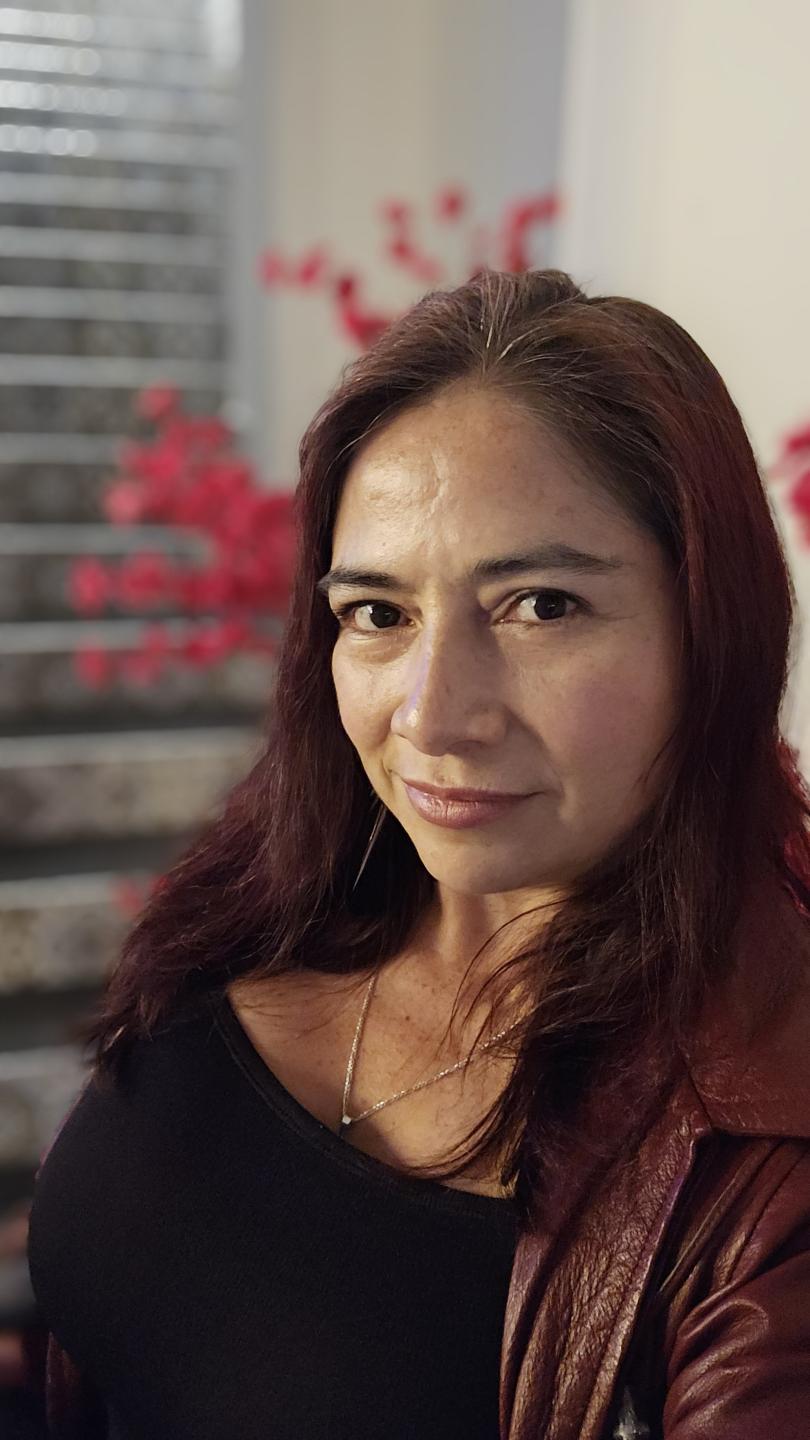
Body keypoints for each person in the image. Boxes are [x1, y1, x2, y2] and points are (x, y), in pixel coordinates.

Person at [26, 267, 810, 1439]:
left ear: (712, 631)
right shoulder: (273, 906)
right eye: (379, 614)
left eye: (540, 606)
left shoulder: (771, 1155)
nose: (433, 718)